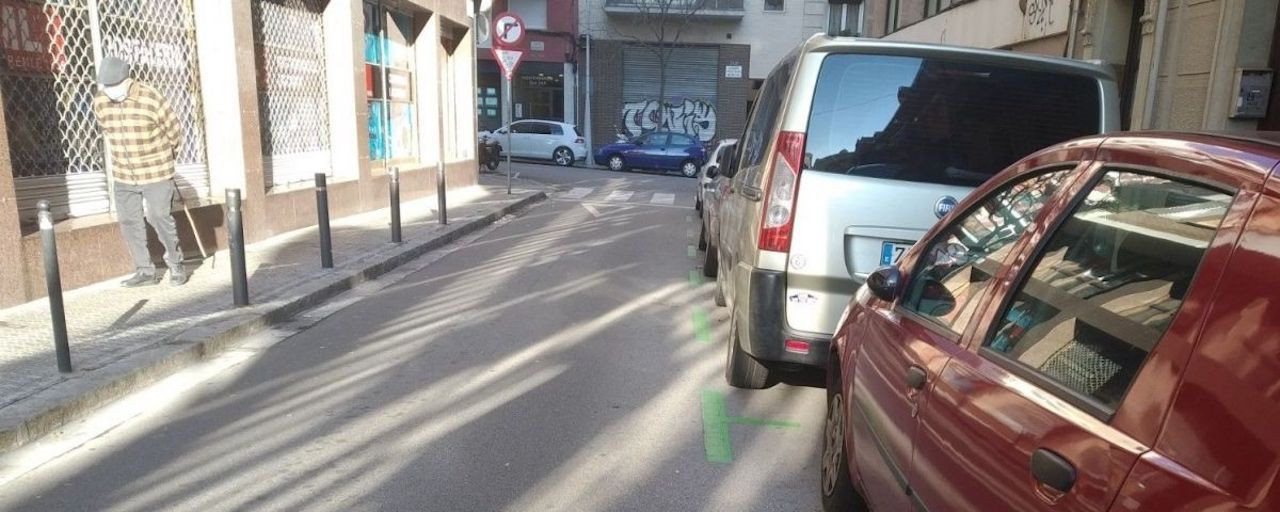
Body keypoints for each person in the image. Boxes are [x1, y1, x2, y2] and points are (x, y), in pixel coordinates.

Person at [92, 57, 188, 287]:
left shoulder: (150, 97)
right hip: (124, 173)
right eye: (106, 86)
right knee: (128, 220)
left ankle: (176, 264)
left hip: (156, 171)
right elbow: (106, 130)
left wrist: (165, 159)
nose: (110, 91)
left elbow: (174, 132)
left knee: (158, 216)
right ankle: (145, 271)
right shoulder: (101, 102)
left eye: (114, 86)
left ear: (127, 80)